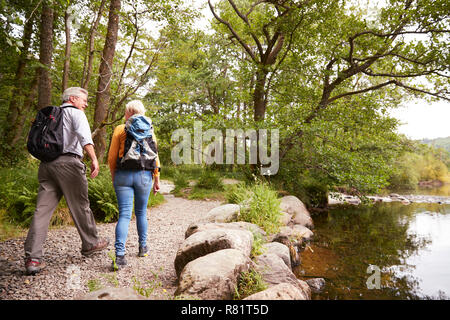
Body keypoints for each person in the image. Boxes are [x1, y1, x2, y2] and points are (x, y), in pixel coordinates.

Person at [24, 87, 109, 275]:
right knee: (80, 205)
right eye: (84, 100)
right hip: (69, 164)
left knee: (41, 211)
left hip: (46, 165)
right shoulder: (76, 114)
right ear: (72, 99)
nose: (86, 104)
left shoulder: (53, 115)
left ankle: (33, 258)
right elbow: (84, 138)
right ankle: (91, 243)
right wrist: (94, 159)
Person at [107, 100, 160, 270]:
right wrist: (156, 178)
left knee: (124, 215)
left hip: (123, 175)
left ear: (128, 113)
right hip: (144, 175)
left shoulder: (120, 129)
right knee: (141, 213)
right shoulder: (149, 129)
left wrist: (114, 174)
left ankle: (120, 256)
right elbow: (155, 156)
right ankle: (142, 248)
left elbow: (111, 157)